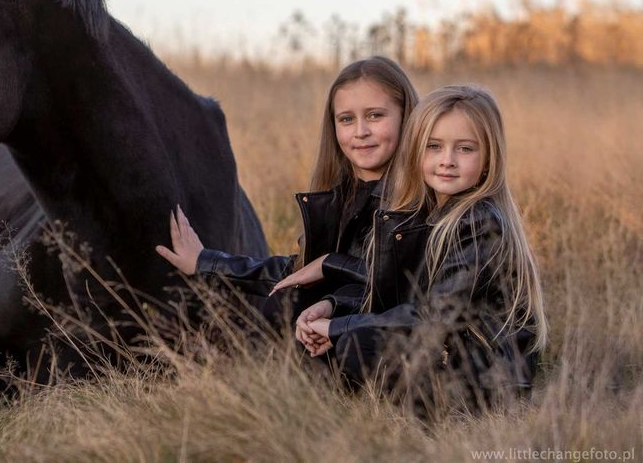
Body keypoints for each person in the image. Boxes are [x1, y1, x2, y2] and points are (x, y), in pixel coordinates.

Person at [296, 85, 547, 410]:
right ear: (415, 152)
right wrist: (333, 306)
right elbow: (392, 288)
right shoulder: (423, 213)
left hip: (489, 374)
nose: (447, 161)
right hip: (447, 352)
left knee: (362, 344)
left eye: (465, 149)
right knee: (324, 341)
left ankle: (411, 420)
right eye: (434, 147)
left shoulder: (481, 222)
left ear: (489, 157)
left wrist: (339, 327)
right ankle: (351, 411)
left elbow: (436, 316)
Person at [156, 56, 419, 324]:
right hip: (333, 329)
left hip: (379, 338)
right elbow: (300, 271)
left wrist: (330, 266)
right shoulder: (341, 197)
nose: (360, 131)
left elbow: (400, 286)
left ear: (405, 116)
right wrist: (206, 262)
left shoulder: (421, 198)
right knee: (279, 301)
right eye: (347, 119)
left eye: (375, 115)